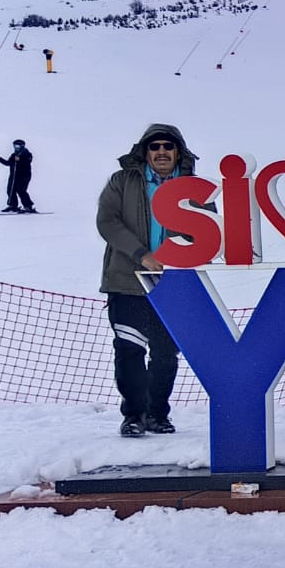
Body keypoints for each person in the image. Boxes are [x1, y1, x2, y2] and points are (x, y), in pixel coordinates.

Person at [96, 123, 195, 437]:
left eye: (168, 146)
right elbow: (107, 221)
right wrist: (141, 254)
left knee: (166, 353)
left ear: (178, 151)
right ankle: (134, 415)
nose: (162, 152)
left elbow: (210, 228)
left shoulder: (194, 187)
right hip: (127, 281)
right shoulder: (122, 181)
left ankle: (158, 414)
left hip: (175, 284)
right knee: (130, 350)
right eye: (155, 147)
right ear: (145, 151)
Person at [0, 139, 34, 212]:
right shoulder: (13, 155)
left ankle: (28, 206)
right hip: (13, 176)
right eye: (14, 146)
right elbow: (8, 163)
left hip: (24, 176)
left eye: (17, 146)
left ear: (22, 146)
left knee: (21, 190)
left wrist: (20, 160)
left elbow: (28, 161)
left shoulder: (27, 154)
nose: (16, 148)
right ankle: (12, 205)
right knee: (10, 189)